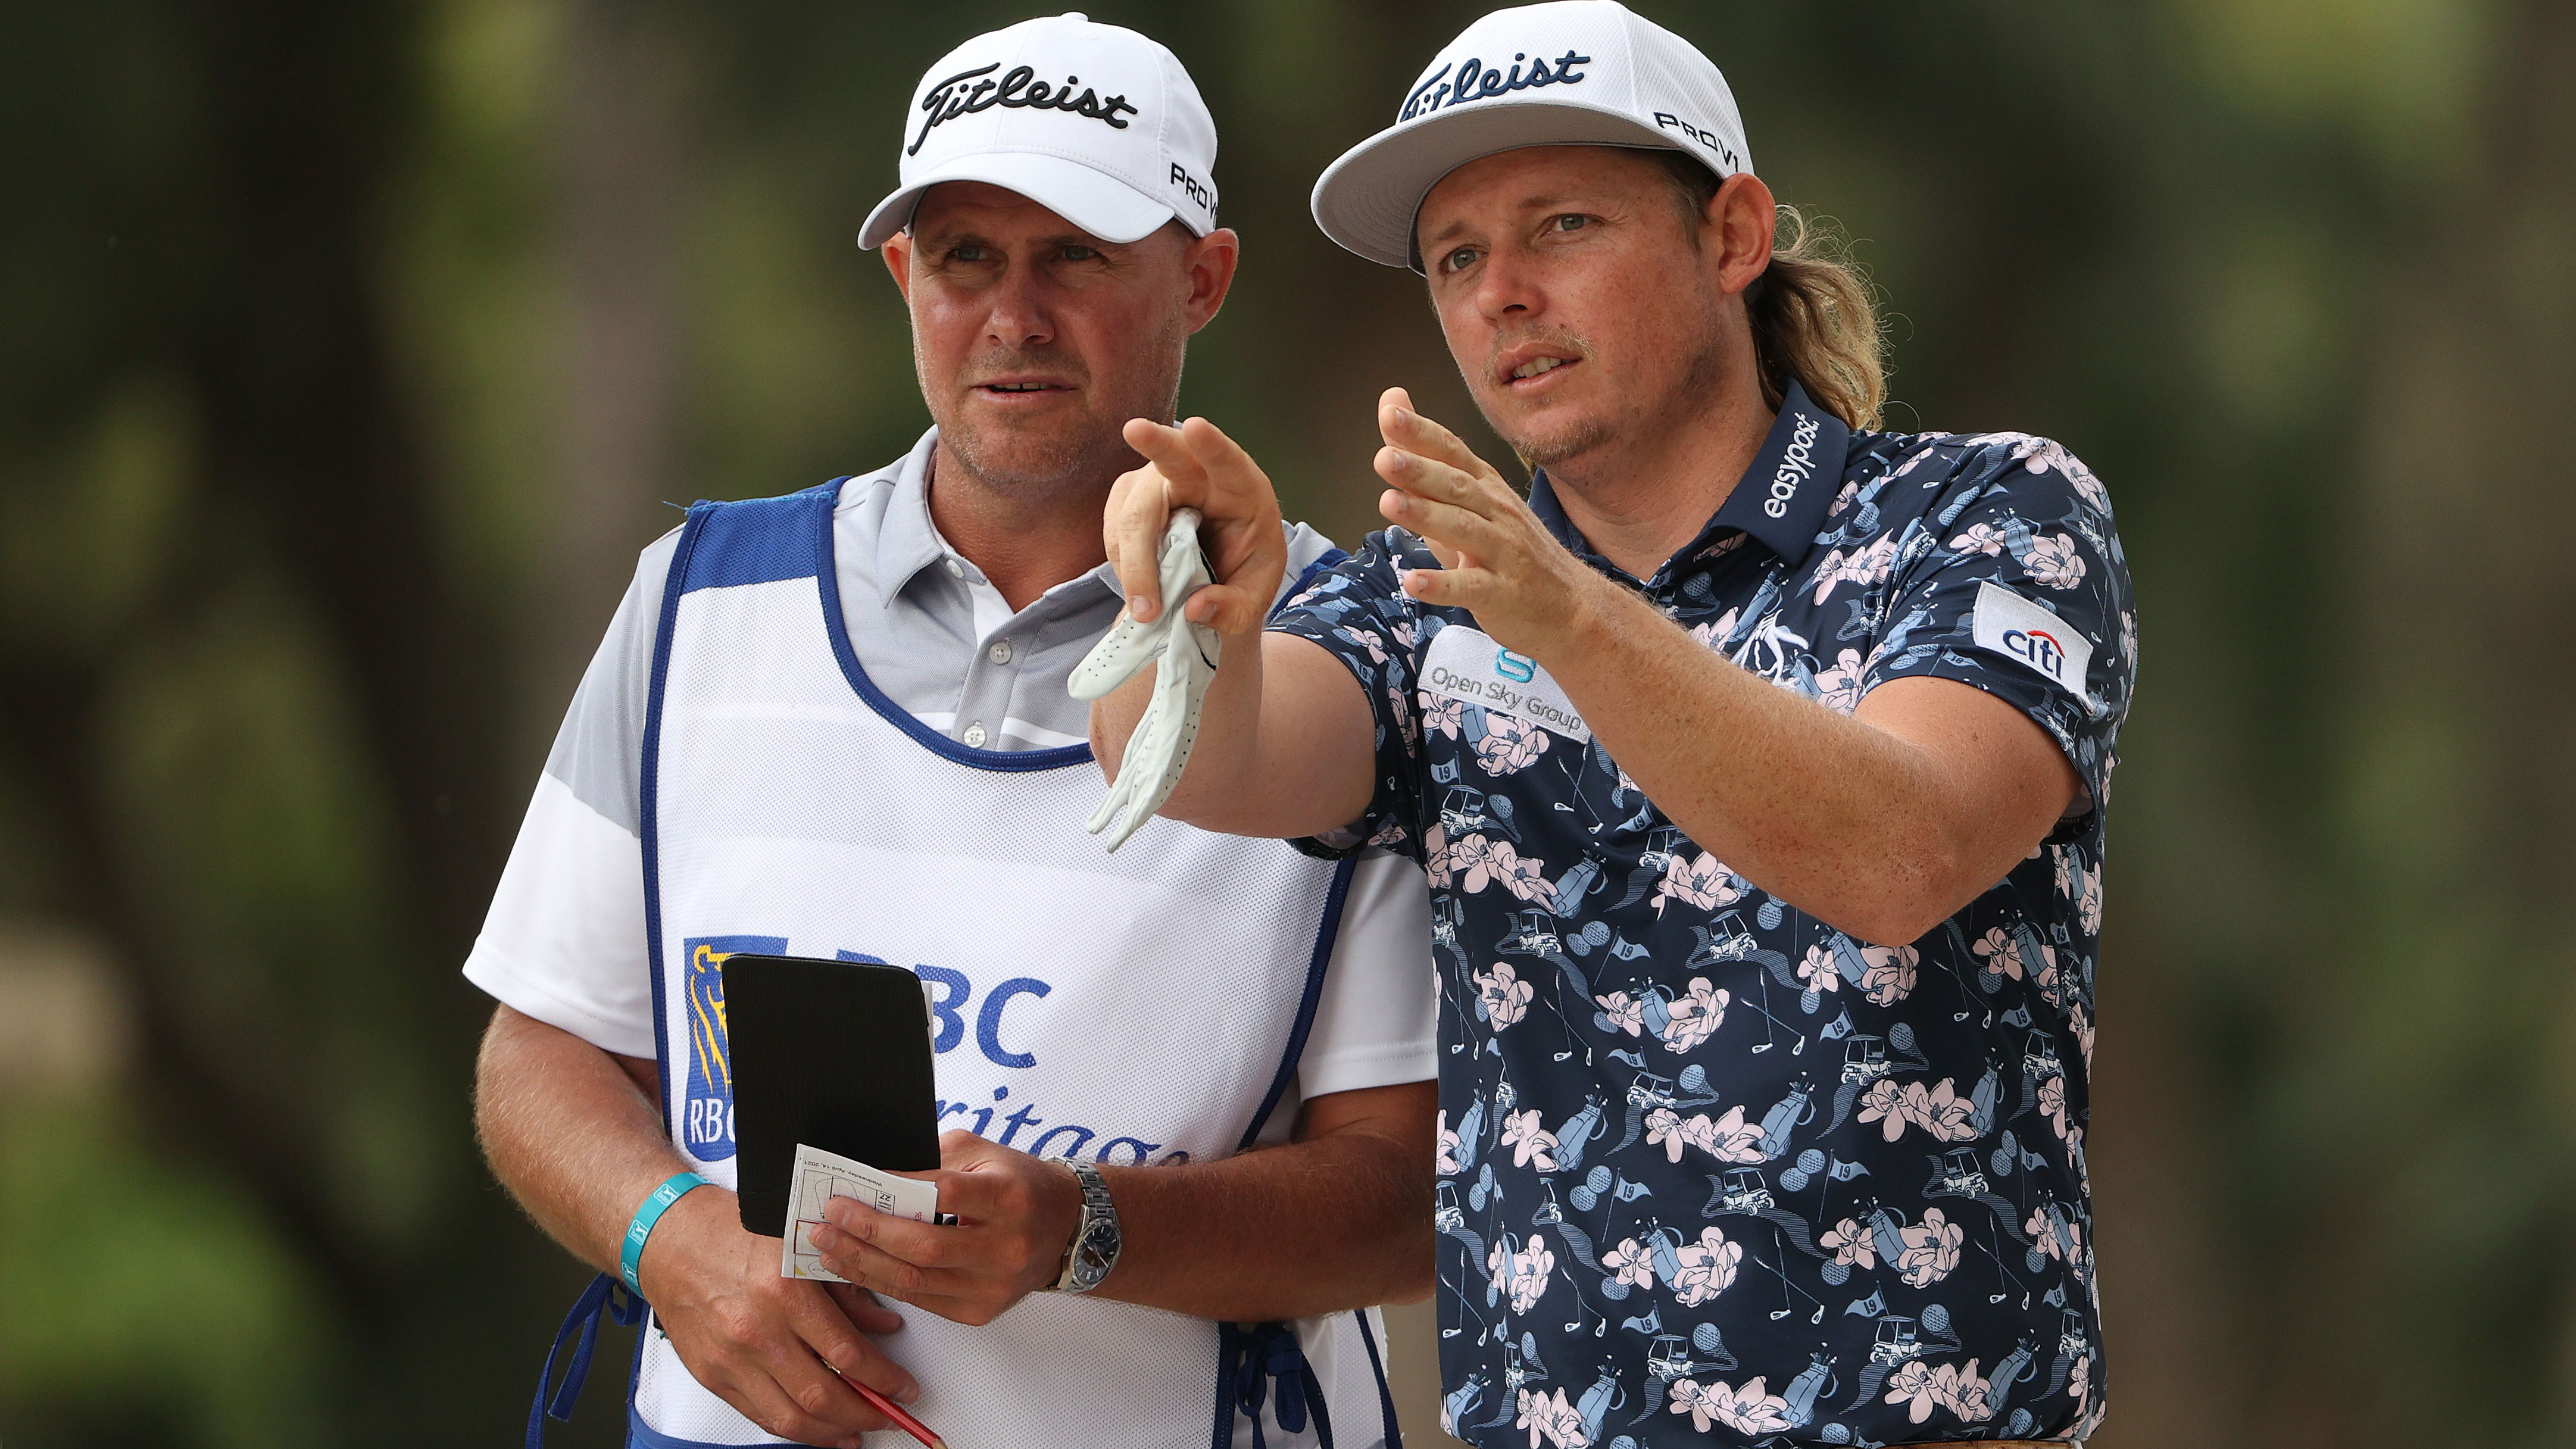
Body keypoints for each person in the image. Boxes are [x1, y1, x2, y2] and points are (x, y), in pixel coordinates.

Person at [1089, 3, 2134, 1444]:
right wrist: (1182, 600)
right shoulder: (1431, 592)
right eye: (1457, 258)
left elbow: (1901, 852)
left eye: (1562, 225)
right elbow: (1195, 763)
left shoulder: (1984, 511)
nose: (1501, 292)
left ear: (1732, 236)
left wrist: (1573, 618)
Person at [468, 14, 1437, 1449]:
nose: (1014, 314)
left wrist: (1084, 1229)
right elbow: (539, 1051)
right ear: (899, 272)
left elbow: (1406, 1195)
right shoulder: (700, 593)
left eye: (1077, 256)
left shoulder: (1350, 657)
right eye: (965, 256)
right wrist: (671, 1235)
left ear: (1204, 276)